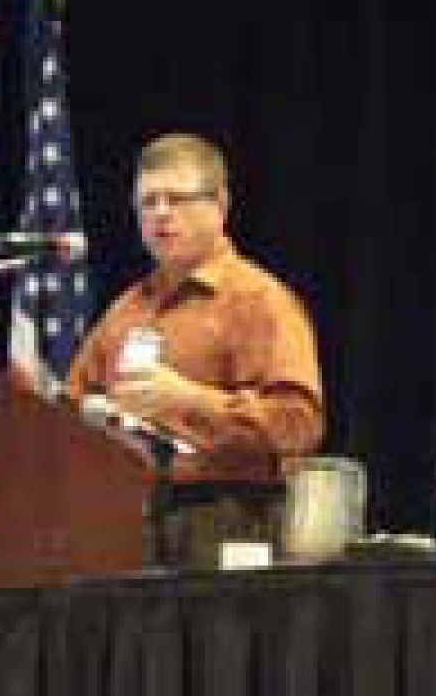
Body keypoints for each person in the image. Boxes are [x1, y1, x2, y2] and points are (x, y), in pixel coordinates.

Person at [67, 133, 323, 567]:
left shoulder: (259, 301)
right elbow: (70, 410)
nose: (161, 214)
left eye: (177, 199)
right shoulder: (125, 311)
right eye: (148, 203)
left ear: (219, 206)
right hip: (126, 524)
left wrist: (187, 398)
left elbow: (299, 426)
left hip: (227, 523)